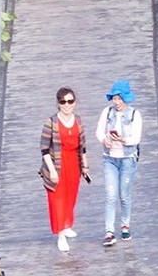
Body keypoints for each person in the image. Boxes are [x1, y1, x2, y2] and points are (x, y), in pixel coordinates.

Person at [40, 88, 90, 254]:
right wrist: (52, 170)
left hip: (73, 164)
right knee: (58, 199)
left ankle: (67, 224)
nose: (67, 105)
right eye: (63, 102)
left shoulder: (78, 121)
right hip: (57, 164)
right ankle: (60, 234)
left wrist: (85, 166)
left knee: (71, 196)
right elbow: (44, 149)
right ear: (58, 103)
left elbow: (82, 146)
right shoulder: (51, 122)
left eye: (70, 101)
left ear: (75, 102)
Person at [96, 81, 143, 247]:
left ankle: (125, 225)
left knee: (124, 194)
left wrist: (123, 140)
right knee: (110, 194)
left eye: (119, 99)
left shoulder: (134, 114)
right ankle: (109, 232)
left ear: (125, 99)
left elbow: (136, 139)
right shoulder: (107, 112)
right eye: (114, 99)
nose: (116, 102)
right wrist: (105, 140)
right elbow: (99, 131)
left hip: (127, 159)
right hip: (109, 158)